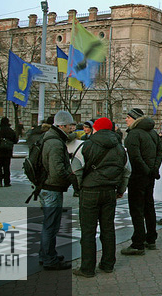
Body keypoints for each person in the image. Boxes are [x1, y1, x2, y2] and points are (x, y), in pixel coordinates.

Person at [73, 117, 128, 278]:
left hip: (90, 191)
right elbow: (127, 171)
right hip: (110, 191)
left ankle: (87, 268)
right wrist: (120, 190)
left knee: (88, 230)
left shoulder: (86, 145)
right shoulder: (120, 148)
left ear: (95, 129)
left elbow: (76, 169)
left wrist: (79, 187)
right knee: (108, 229)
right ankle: (107, 264)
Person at [39, 110, 78, 270]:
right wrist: (71, 178)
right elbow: (57, 169)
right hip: (52, 188)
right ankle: (49, 259)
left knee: (50, 224)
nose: (71, 128)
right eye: (69, 125)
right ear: (61, 125)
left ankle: (47, 254)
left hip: (48, 187)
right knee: (51, 225)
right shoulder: (55, 142)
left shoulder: (51, 138)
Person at [122, 108, 162, 255]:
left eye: (128, 117)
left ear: (135, 119)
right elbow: (160, 152)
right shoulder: (152, 132)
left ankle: (138, 243)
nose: (126, 120)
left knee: (137, 210)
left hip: (138, 177)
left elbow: (135, 158)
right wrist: (154, 169)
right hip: (150, 175)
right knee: (148, 206)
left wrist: (147, 170)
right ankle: (151, 238)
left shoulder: (133, 134)